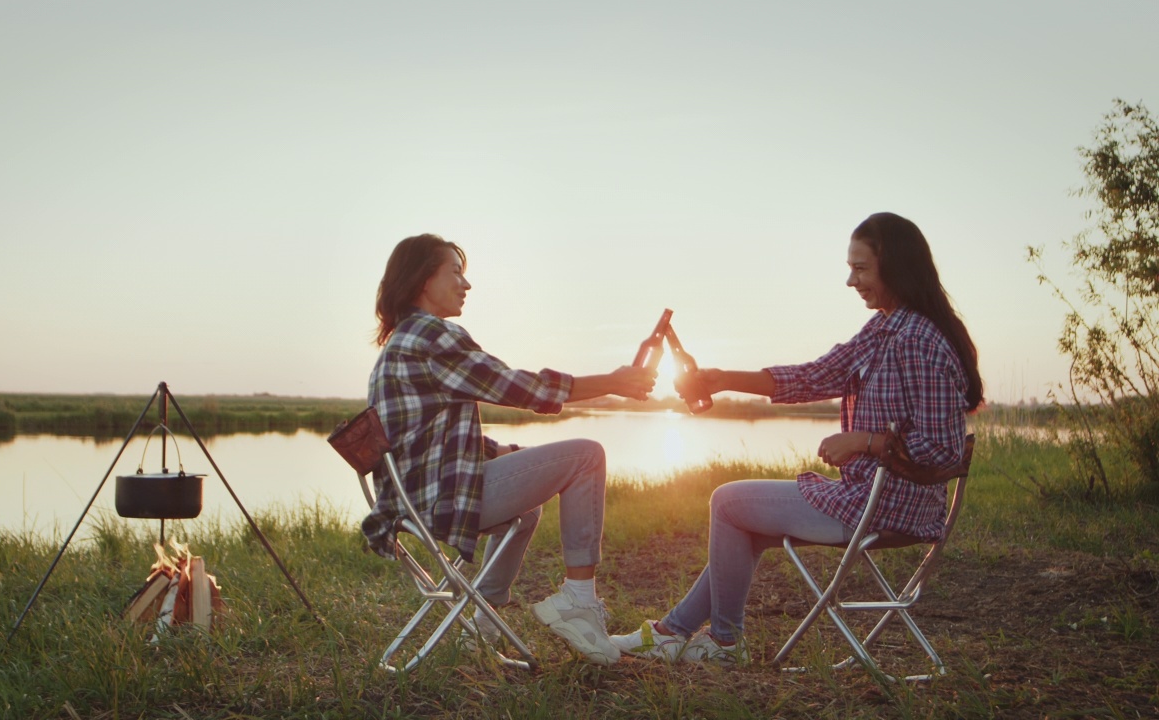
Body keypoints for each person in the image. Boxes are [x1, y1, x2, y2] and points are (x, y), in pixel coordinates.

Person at [610, 212, 984, 664]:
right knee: (744, 522)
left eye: (861, 268)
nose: (851, 280)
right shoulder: (887, 329)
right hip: (875, 499)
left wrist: (864, 441)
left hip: (885, 506)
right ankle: (673, 631)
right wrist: (722, 378)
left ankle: (725, 643)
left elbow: (942, 451)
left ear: (897, 266)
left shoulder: (917, 340)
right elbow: (817, 375)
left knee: (727, 502)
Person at [364, 233, 656, 665]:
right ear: (423, 279)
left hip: (411, 504)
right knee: (587, 455)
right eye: (456, 272)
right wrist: (613, 383)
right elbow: (517, 386)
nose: (466, 284)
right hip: (437, 505)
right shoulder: (432, 336)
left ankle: (482, 616)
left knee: (526, 510)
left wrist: (507, 451)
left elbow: (429, 439)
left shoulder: (401, 343)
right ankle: (577, 599)